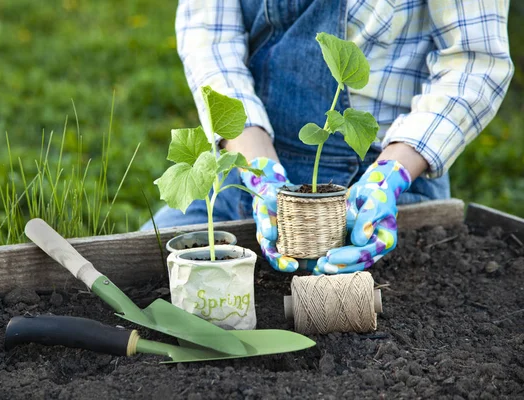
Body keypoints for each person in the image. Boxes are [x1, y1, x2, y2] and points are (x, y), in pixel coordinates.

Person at [143, 0, 514, 274]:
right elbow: (210, 43)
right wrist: (258, 171)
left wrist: (389, 178)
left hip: (378, 194)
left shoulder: (380, 191)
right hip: (245, 175)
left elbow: (475, 63)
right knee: (132, 274)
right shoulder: (251, 175)